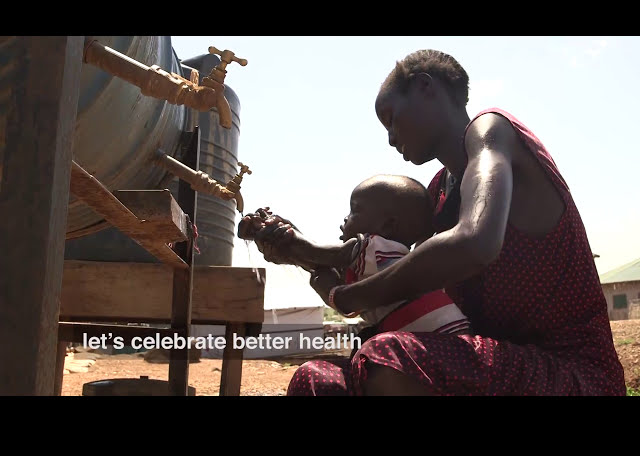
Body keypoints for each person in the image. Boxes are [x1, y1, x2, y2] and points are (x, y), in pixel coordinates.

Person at [248, 49, 626, 396]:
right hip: (486, 367)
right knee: (315, 378)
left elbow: (474, 242)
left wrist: (353, 297)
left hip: (572, 374)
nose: (391, 138)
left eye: (392, 119)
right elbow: (387, 268)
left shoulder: (493, 133)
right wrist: (295, 249)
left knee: (386, 356)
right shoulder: (436, 195)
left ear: (425, 87)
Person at [238, 175, 471, 346]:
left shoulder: (372, 245)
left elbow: (315, 253)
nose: (346, 217)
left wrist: (279, 232)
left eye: (355, 211)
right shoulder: (387, 261)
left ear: (386, 226)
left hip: (440, 343)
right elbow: (321, 265)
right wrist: (288, 243)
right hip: (451, 343)